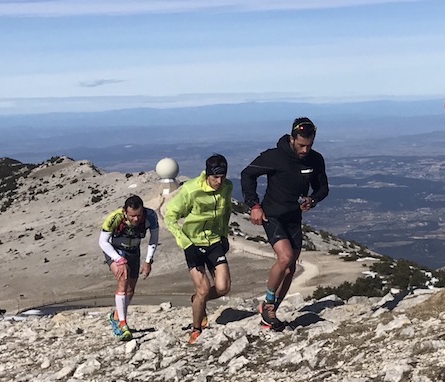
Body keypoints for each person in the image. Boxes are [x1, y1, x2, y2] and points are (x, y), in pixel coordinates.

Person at [241, 117, 329, 331]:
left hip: (294, 217)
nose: (305, 150)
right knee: (286, 257)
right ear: (292, 139)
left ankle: (271, 314)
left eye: (309, 145)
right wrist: (254, 205)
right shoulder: (275, 156)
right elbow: (247, 175)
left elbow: (323, 188)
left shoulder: (315, 160)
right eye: (301, 145)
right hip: (272, 215)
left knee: (290, 268)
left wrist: (313, 200)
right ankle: (267, 304)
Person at [164, 154, 233, 344]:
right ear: (207, 174)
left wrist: (224, 235)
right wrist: (186, 243)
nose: (219, 182)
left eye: (223, 177)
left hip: (214, 242)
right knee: (203, 289)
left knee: (223, 287)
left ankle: (196, 300)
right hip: (193, 244)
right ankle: (196, 329)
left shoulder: (228, 187)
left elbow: (226, 211)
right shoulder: (191, 190)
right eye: (215, 177)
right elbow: (170, 216)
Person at [99, 195, 159, 341]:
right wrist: (118, 259)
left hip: (134, 250)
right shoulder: (115, 218)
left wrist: (148, 261)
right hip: (115, 250)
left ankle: (115, 316)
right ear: (125, 212)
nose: (136, 219)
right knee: (123, 280)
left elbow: (154, 238)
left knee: (131, 290)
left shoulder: (150, 216)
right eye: (132, 216)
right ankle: (123, 324)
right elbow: (102, 241)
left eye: (139, 215)